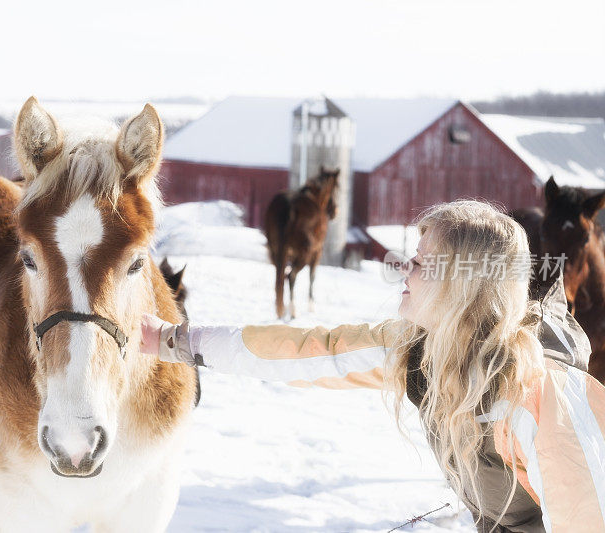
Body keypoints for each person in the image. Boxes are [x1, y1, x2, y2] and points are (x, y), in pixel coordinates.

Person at [141, 200, 605, 533]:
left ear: (464, 285)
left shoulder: (536, 392)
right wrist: (173, 340)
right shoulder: (419, 352)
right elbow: (301, 351)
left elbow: (586, 515)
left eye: (422, 263)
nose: (404, 269)